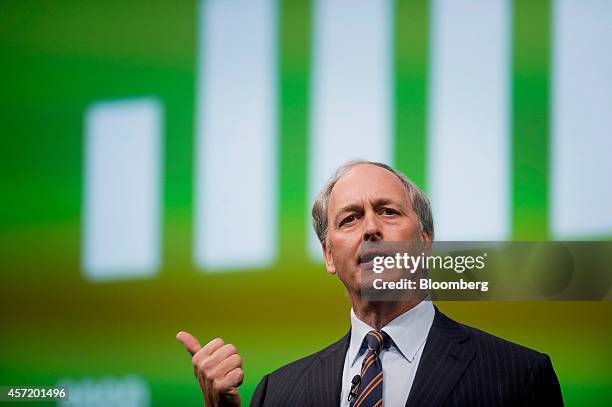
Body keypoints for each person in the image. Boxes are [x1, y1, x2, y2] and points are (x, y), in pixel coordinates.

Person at [176, 160, 564, 406]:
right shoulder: (278, 393)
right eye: (349, 219)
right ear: (329, 256)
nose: (371, 229)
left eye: (388, 212)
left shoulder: (518, 376)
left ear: (424, 241)